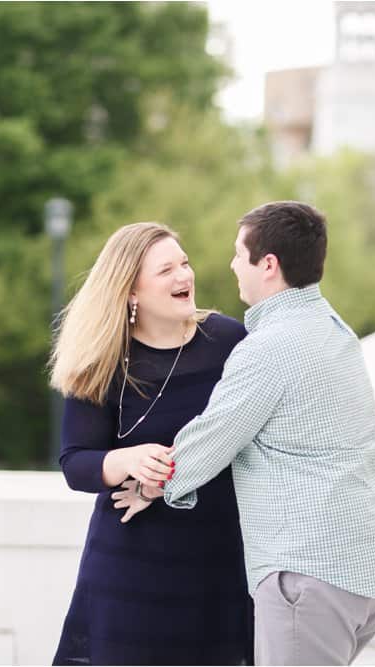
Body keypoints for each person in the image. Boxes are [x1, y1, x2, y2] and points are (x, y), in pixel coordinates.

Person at [116, 202, 375, 666]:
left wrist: (154, 481)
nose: (231, 265)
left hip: (310, 574)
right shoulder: (334, 331)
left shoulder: (270, 349)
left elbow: (214, 435)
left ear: (268, 265)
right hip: (367, 569)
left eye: (238, 254)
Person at [49, 222, 253, 666]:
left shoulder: (229, 341)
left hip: (216, 564)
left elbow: (250, 441)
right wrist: (128, 459)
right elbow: (75, 464)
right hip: (129, 571)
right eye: (167, 271)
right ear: (131, 292)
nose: (185, 277)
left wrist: (170, 476)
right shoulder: (99, 362)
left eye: (185, 263)